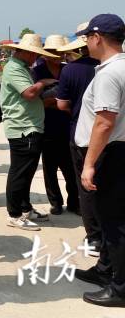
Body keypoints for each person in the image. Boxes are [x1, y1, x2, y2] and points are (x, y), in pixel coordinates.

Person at [73, 14, 125, 308]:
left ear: (97, 38)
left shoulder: (108, 73)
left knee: (113, 222)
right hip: (118, 150)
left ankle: (119, 287)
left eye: (88, 38)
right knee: (109, 221)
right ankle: (105, 270)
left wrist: (89, 163)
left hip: (110, 152)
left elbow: (104, 122)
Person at [0, 34, 58, 231]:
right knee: (20, 172)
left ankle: (25, 208)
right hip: (23, 128)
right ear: (21, 51)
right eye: (32, 54)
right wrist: (44, 82)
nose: (35, 58)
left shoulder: (21, 67)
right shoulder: (14, 68)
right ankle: (15, 214)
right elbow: (29, 93)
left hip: (29, 126)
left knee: (27, 172)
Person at [56, 22, 102, 254]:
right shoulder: (111, 66)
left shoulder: (70, 70)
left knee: (86, 186)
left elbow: (62, 104)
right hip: (113, 136)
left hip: (81, 132)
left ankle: (94, 236)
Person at [32, 34, 79, 216]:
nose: (57, 56)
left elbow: (72, 98)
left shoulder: (69, 69)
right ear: (46, 53)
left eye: (60, 52)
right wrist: (57, 101)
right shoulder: (38, 71)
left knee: (70, 168)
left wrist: (54, 100)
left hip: (67, 124)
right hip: (47, 124)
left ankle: (74, 202)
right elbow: (36, 101)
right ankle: (56, 202)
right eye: (53, 52)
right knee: (50, 168)